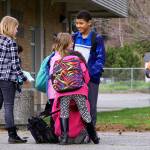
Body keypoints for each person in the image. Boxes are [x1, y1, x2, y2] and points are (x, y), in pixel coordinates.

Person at [50, 32, 99, 145]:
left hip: (63, 92)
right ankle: (94, 137)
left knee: (64, 112)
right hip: (78, 90)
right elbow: (86, 77)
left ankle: (64, 138)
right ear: (68, 44)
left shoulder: (58, 60)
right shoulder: (77, 57)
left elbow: (54, 77)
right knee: (84, 112)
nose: (72, 43)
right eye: (71, 42)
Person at [73, 10, 106, 127]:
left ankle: (91, 133)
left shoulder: (97, 38)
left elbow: (100, 59)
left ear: (89, 23)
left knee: (91, 105)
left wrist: (90, 75)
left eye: (81, 23)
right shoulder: (73, 37)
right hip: (74, 78)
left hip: (91, 78)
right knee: (76, 105)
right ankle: (78, 130)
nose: (78, 26)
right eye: (77, 23)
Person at [0, 16, 28, 143]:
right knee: (8, 105)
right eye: (16, 27)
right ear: (10, 27)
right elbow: (15, 64)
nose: (17, 30)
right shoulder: (11, 42)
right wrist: (23, 78)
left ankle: (12, 134)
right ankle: (12, 135)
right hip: (7, 79)